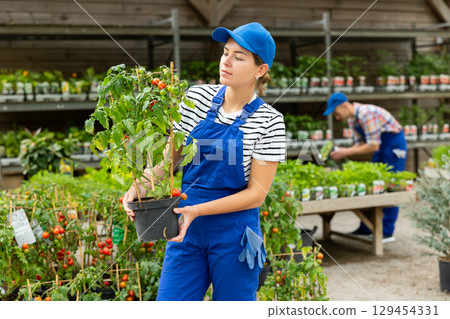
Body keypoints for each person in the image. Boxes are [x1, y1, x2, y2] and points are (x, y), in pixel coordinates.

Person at [123, 22, 286, 301]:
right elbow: (172, 159)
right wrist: (143, 183)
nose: (226, 62)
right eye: (225, 52)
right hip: (184, 229)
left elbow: (256, 195)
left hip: (235, 235)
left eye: (239, 57)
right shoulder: (196, 98)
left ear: (261, 70)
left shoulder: (269, 121)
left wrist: (196, 211)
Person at [323, 92, 407, 242]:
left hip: (393, 147)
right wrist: (340, 150)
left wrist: (345, 152)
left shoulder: (366, 114)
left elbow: (373, 145)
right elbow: (361, 144)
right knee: (373, 184)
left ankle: (387, 231)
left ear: (344, 106)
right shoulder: (353, 120)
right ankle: (366, 227)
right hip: (380, 147)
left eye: (336, 113)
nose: (336, 118)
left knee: (390, 186)